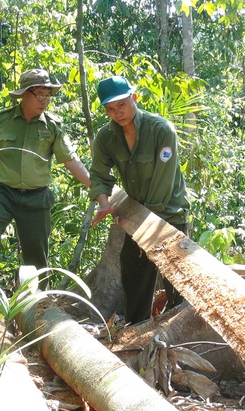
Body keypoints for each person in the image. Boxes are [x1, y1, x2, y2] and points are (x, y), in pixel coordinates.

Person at [0, 69, 91, 300]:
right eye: (39, 94)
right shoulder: (1, 120)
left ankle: (37, 305)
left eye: (47, 95)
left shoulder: (52, 126)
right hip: (3, 192)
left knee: (36, 254)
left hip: (36, 196)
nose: (44, 100)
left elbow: (71, 160)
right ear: (24, 95)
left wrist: (96, 187)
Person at [88, 75, 191, 324]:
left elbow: (163, 182)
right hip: (136, 218)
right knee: (134, 276)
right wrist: (104, 204)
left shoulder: (161, 130)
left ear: (134, 98)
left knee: (178, 281)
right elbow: (99, 175)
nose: (117, 113)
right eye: (110, 109)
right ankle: (137, 332)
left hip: (168, 216)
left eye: (121, 104)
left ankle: (183, 332)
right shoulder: (106, 138)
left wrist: (144, 227)